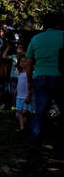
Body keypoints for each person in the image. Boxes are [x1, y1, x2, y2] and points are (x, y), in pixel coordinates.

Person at [25, 13, 64, 151]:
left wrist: (29, 82)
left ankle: (34, 143)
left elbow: (28, 63)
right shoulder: (62, 36)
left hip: (40, 76)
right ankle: (59, 143)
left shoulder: (36, 39)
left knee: (40, 111)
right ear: (58, 23)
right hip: (59, 76)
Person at [15, 55, 35, 133]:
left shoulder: (31, 73)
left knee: (24, 112)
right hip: (19, 95)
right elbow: (19, 82)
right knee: (19, 111)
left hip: (26, 95)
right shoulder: (19, 73)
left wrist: (29, 95)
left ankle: (26, 125)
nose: (23, 63)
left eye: (25, 61)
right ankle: (22, 127)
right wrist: (16, 89)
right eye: (21, 61)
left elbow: (32, 85)